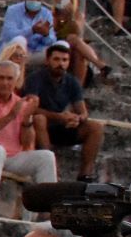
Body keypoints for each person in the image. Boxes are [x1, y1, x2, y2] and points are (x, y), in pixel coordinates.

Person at [0, 60, 57, 203]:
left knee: (47, 156)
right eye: (1, 78)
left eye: (9, 78)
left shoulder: (19, 102)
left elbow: (27, 143)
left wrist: (27, 118)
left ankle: (47, 206)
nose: (5, 82)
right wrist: (10, 116)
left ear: (16, 81)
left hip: (12, 156)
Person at [25, 41, 104, 183]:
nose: (60, 63)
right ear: (48, 60)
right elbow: (30, 108)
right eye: (56, 59)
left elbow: (83, 112)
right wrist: (58, 117)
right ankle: (51, 168)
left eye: (64, 60)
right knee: (39, 119)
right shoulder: (35, 79)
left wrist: (76, 119)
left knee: (95, 127)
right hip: (40, 127)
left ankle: (85, 175)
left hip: (62, 126)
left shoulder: (72, 81)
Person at [0, 0, 57, 67]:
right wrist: (32, 30)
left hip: (33, 52)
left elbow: (51, 41)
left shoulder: (47, 14)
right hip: (11, 51)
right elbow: (8, 35)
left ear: (43, 0)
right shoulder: (13, 10)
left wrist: (46, 34)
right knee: (20, 40)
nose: (34, 1)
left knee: (59, 48)